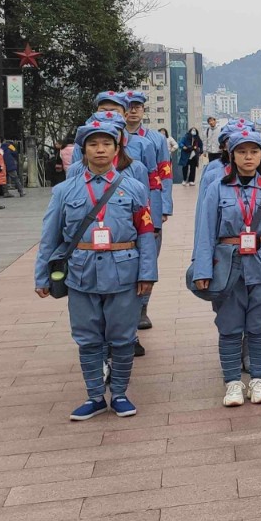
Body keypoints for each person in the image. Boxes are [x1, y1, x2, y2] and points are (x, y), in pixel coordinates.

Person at [34, 114, 157, 420]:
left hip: (124, 272)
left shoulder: (134, 188)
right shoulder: (65, 191)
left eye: (106, 144)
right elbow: (50, 236)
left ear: (117, 149)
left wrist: (147, 273)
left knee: (123, 337)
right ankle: (94, 396)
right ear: (84, 150)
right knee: (87, 338)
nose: (100, 149)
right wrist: (42, 276)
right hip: (81, 272)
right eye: (93, 144)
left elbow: (146, 233)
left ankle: (120, 394)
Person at [191, 131, 261, 407]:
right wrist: (202, 270)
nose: (248, 157)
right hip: (228, 266)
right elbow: (205, 231)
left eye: (254, 152)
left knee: (260, 325)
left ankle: (258, 378)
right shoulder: (217, 188)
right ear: (231, 155)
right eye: (242, 152)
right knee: (230, 326)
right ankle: (233, 382)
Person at [122, 91, 173, 333]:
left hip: (150, 205)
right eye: (129, 106)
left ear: (144, 110)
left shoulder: (155, 139)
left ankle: (142, 307)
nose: (133, 111)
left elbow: (164, 173)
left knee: (148, 257)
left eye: (138, 106)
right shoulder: (112, 138)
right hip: (120, 207)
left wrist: (164, 207)